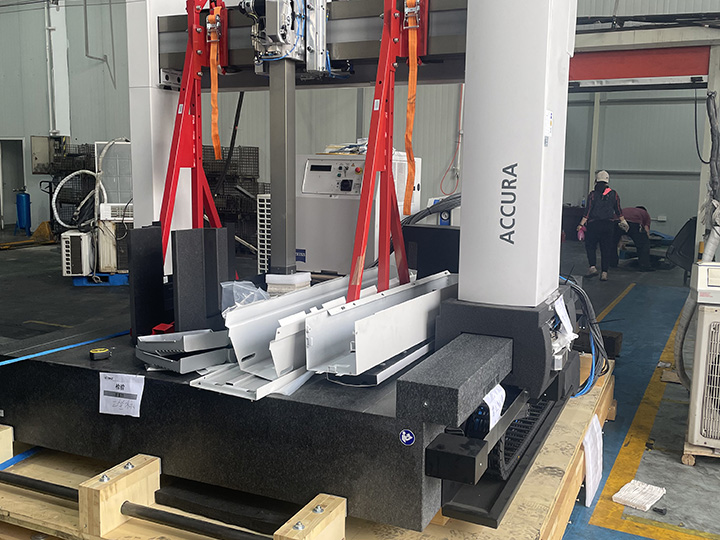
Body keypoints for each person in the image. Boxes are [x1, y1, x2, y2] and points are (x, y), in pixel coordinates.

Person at [577, 171, 629, 281]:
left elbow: (588, 211)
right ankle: (604, 273)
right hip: (608, 225)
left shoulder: (592, 195)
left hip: (594, 224)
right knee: (606, 248)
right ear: (607, 181)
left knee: (591, 246)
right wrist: (623, 221)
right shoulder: (614, 194)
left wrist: (581, 224)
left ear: (596, 180)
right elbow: (618, 209)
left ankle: (592, 267)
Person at [621, 206, 654, 271]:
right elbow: (646, 229)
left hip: (617, 221)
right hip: (634, 223)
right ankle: (644, 266)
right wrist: (646, 240)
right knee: (643, 245)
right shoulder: (645, 213)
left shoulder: (627, 209)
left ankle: (612, 264)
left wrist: (621, 242)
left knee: (612, 244)